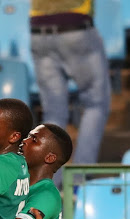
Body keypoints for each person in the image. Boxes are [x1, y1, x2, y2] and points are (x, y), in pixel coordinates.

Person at [29, 0, 110, 183]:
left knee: (53, 113)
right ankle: (79, 179)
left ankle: (48, 182)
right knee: (96, 104)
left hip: (38, 30)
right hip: (75, 27)